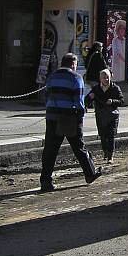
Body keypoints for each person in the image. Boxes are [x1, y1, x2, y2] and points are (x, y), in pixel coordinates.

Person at [40, 53, 102, 192]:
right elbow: (79, 102)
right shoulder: (76, 78)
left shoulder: (52, 77)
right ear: (73, 64)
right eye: (76, 64)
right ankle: (90, 174)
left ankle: (46, 181)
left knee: (50, 149)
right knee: (79, 147)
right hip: (69, 118)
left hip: (52, 117)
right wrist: (81, 116)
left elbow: (46, 95)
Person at [86, 68, 124, 164]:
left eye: (107, 77)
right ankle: (105, 152)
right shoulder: (96, 89)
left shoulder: (115, 88)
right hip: (100, 115)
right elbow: (86, 101)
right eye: (104, 78)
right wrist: (90, 97)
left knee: (111, 135)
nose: (106, 80)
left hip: (112, 115)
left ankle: (110, 156)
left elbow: (121, 101)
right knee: (103, 135)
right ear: (100, 79)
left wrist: (112, 101)